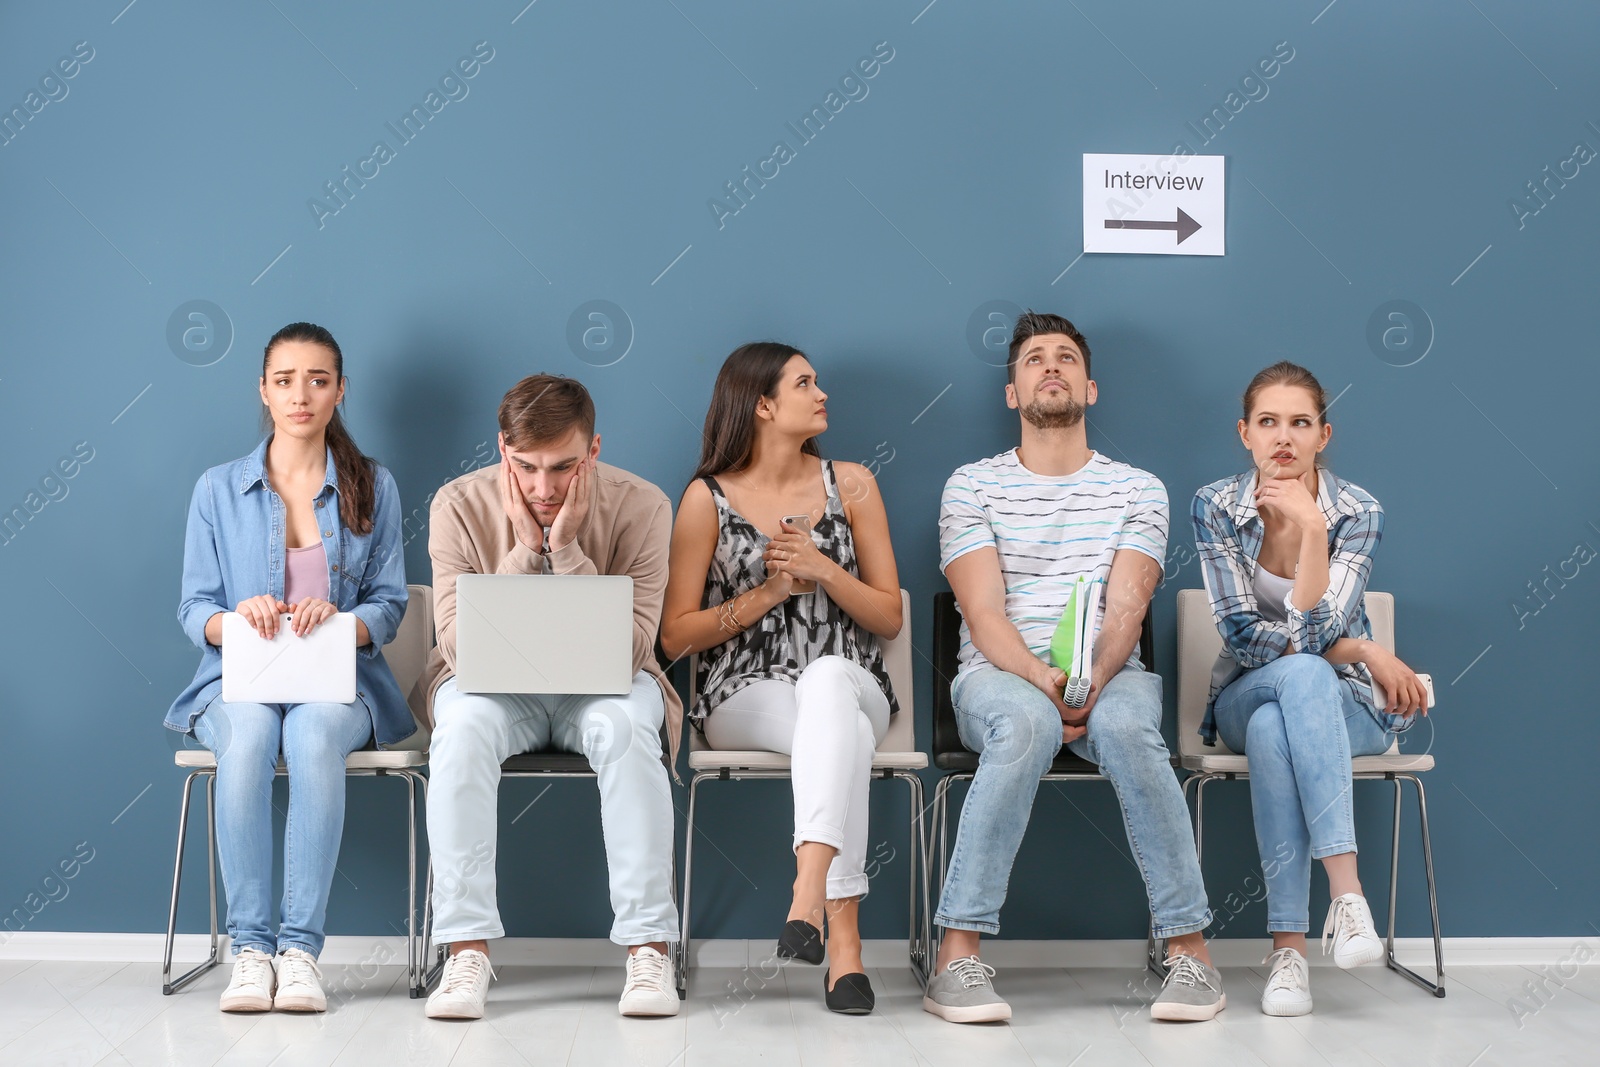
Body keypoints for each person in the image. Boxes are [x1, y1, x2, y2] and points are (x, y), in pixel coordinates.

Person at [927, 311, 1222, 1024]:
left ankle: (1191, 956)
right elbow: (985, 613)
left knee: (1125, 729)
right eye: (1033, 358)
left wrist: (1086, 681)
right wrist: (1042, 680)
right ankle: (955, 956)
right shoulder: (970, 486)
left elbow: (1126, 609)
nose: (1050, 366)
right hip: (997, 676)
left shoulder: (1138, 489)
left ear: (1090, 387)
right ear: (1012, 392)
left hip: (1111, 674)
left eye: (1065, 358)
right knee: (1026, 723)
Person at [417, 374, 681, 1020]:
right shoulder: (456, 503)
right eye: (526, 467)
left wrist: (563, 549)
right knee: (460, 729)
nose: (543, 488)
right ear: (502, 449)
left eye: (563, 467)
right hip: (493, 688)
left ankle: (649, 948)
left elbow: (631, 652)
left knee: (626, 730)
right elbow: (461, 650)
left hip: (605, 688)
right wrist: (517, 548)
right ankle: (465, 950)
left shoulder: (643, 505)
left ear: (593, 450)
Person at [167, 322, 411, 1014]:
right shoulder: (218, 489)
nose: (300, 393)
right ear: (264, 392)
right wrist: (237, 617)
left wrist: (338, 620)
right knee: (247, 737)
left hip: (339, 682)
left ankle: (299, 952)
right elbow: (192, 607)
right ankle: (252, 950)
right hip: (237, 680)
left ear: (339, 391)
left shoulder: (375, 486)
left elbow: (390, 605)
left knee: (308, 738)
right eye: (284, 379)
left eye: (317, 379)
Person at [660, 342, 902, 1015]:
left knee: (831, 685)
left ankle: (806, 894)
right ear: (763, 404)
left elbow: (889, 615)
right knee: (842, 733)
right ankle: (845, 942)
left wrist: (824, 569)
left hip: (853, 677)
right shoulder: (706, 498)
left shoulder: (852, 484)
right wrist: (769, 593)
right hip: (743, 692)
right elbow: (676, 634)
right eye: (805, 382)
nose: (821, 392)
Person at [1192, 360, 1428, 1017]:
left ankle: (1288, 951)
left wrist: (1315, 531)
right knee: (1300, 672)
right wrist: (1365, 647)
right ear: (1245, 433)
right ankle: (1346, 893)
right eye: (1268, 422)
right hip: (1243, 691)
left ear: (1325, 434)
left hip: (1345, 705)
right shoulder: (1214, 504)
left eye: (1301, 422)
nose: (1284, 437)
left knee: (1284, 715)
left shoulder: (1356, 511)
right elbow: (1243, 639)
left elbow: (1314, 628)